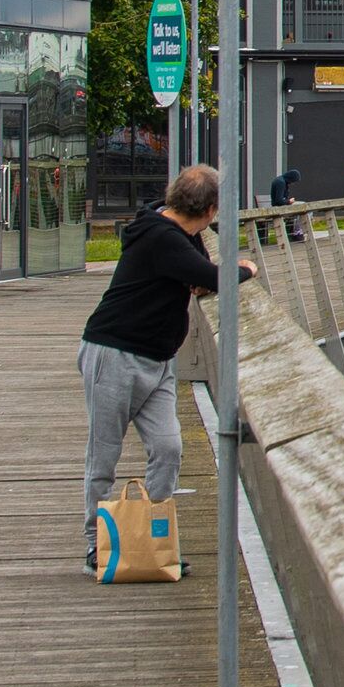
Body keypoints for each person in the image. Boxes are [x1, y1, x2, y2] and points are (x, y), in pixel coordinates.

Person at [75, 163, 254, 570]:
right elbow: (213, 276)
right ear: (210, 210)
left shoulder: (172, 228)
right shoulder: (160, 238)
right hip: (113, 353)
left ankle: (150, 533)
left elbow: (198, 273)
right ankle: (96, 544)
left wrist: (203, 272)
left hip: (158, 359)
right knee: (104, 454)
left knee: (169, 447)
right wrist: (246, 268)